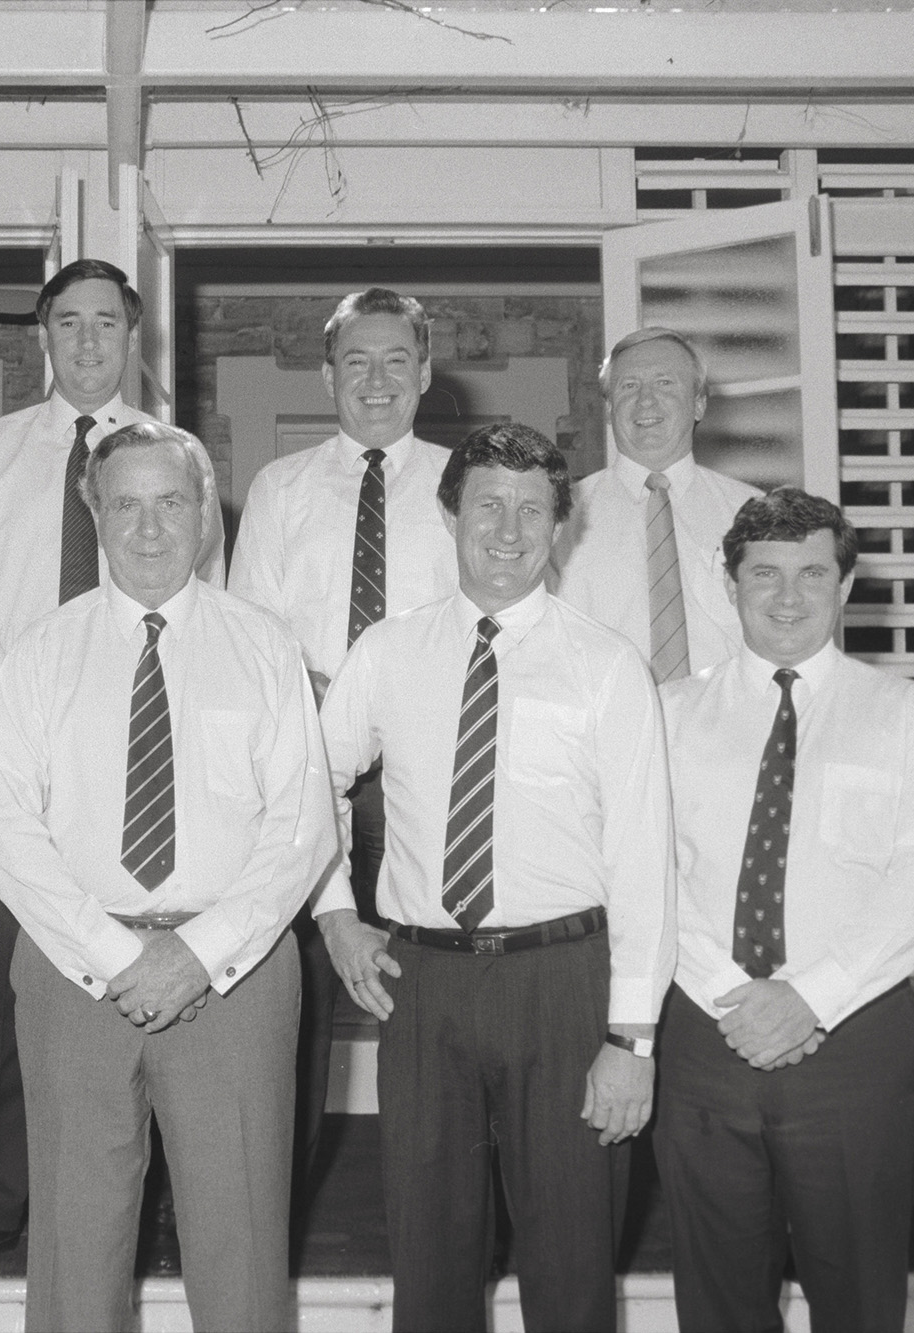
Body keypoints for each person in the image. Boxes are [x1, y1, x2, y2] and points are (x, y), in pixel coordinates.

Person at [0, 422, 334, 1331]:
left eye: (170, 501)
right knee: (73, 1251)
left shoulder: (264, 647)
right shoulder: (41, 651)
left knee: (241, 1247)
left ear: (205, 512)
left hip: (235, 975)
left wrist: (196, 953)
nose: (147, 527)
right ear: (93, 511)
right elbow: (4, 828)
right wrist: (112, 952)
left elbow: (301, 829)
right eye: (124, 503)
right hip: (72, 973)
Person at [317, 423, 676, 1333]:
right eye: (488, 504)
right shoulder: (388, 652)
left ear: (561, 524)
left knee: (570, 1259)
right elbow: (306, 782)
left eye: (532, 509)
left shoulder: (606, 664)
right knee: (430, 1263)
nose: (508, 530)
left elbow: (643, 856)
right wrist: (334, 912)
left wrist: (631, 1040)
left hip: (563, 982)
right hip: (422, 983)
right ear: (451, 513)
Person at [0, 258, 225, 1272]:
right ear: (42, 336)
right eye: (69, 321)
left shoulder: (179, 453)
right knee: (16, 978)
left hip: (140, 749)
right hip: (24, 735)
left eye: (108, 322)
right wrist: (16, 715)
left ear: (132, 335)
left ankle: (143, 1204)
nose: (89, 340)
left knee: (143, 983)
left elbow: (202, 608)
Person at [655, 488, 914, 1333]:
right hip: (707, 1035)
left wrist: (808, 998)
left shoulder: (907, 715)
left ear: (845, 585)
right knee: (717, 1301)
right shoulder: (671, 714)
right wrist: (735, 995)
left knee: (859, 1299)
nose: (788, 597)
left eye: (812, 573)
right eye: (765, 574)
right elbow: (645, 872)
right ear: (730, 584)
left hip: (855, 1040)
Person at [227, 286, 459, 1201]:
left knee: (431, 989)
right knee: (293, 1002)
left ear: (426, 373)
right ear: (327, 375)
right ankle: (269, 1202)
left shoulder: (461, 485)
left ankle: (439, 1201)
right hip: (311, 771)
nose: (376, 380)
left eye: (395, 360)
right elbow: (253, 639)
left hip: (430, 772)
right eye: (356, 361)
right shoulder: (282, 490)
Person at [554, 327, 763, 683]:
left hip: (727, 727)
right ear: (608, 408)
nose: (645, 401)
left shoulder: (753, 514)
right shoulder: (560, 517)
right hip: (603, 729)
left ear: (699, 404)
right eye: (629, 386)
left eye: (665, 383)